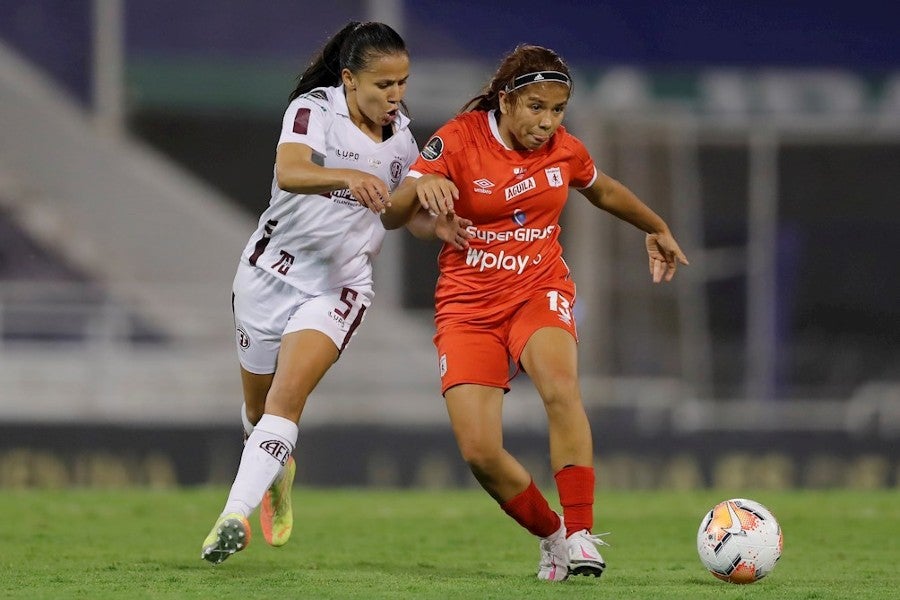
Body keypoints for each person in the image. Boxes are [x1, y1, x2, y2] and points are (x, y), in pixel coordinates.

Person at [382, 44, 689, 581]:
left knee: (560, 385)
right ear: (506, 101)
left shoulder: (563, 151)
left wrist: (656, 227)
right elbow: (393, 217)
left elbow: (603, 190)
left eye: (558, 110)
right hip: (468, 306)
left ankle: (581, 532)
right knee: (480, 450)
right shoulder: (457, 139)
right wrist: (422, 190)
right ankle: (551, 537)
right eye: (536, 108)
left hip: (537, 289)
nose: (547, 122)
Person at [200, 21, 464, 565]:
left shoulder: (404, 140)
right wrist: (346, 175)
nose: (395, 96)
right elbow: (291, 170)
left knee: (285, 401)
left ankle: (232, 516)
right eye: (382, 85)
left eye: (402, 83)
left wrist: (423, 214)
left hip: (339, 284)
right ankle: (278, 470)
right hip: (267, 273)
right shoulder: (313, 111)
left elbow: (388, 214)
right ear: (348, 79)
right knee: (256, 410)